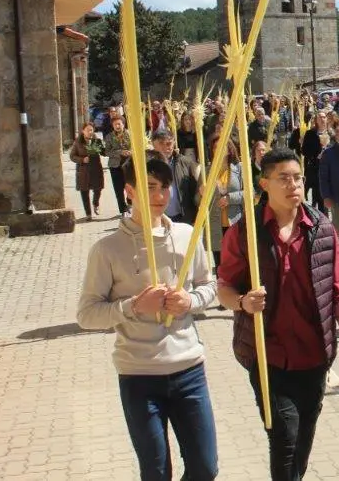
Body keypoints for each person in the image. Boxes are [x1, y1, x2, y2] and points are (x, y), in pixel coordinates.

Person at [217, 149, 339, 481]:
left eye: (297, 177)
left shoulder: (322, 230)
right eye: (283, 178)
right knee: (283, 439)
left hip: (314, 357)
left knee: (302, 444)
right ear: (264, 183)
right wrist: (242, 302)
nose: (293, 184)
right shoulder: (245, 232)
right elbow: (224, 288)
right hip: (268, 358)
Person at [77, 152, 218, 481]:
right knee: (155, 472)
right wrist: (134, 306)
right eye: (151, 187)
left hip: (188, 370)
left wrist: (190, 300)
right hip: (139, 375)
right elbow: (87, 314)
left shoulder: (186, 235)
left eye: (165, 187)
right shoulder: (107, 249)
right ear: (129, 191)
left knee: (205, 468)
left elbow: (209, 285)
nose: (160, 196)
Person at [151, 129, 202, 225]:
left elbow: (193, 192)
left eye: (169, 143)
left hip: (184, 217)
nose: (167, 147)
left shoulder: (186, 163)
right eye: (161, 143)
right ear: (154, 145)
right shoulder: (149, 166)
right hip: (160, 218)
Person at [208, 139, 244, 270]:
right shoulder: (207, 170)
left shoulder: (239, 168)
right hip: (215, 224)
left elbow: (249, 193)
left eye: (221, 147)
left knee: (237, 260)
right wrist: (201, 194)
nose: (217, 150)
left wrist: (230, 198)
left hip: (234, 221)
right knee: (220, 263)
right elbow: (196, 200)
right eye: (215, 148)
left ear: (229, 150)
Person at [70, 122, 105, 220]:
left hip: (95, 169)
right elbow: (72, 156)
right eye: (87, 130)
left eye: (91, 130)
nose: (90, 132)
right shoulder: (77, 142)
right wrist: (82, 159)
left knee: (98, 189)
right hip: (83, 171)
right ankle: (88, 214)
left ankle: (95, 203)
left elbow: (104, 152)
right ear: (83, 131)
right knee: (84, 192)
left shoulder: (96, 141)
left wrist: (104, 149)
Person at [300, 110, 330, 211]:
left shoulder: (331, 133)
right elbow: (304, 150)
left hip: (329, 169)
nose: (322, 119)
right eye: (320, 117)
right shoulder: (310, 133)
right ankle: (319, 216)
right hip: (315, 168)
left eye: (324, 117)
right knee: (318, 195)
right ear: (316, 120)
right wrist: (316, 155)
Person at [104, 115, 131, 215]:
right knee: (118, 189)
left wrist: (130, 152)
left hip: (128, 164)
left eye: (119, 124)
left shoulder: (130, 134)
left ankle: (130, 203)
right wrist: (119, 152)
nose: (117, 126)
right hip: (115, 166)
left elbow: (136, 147)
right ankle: (123, 209)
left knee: (130, 186)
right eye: (115, 124)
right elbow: (107, 152)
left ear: (123, 124)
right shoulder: (109, 137)